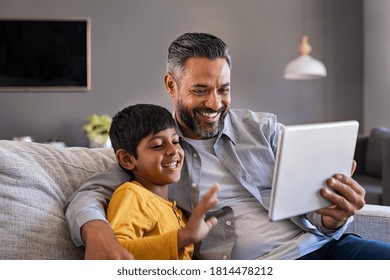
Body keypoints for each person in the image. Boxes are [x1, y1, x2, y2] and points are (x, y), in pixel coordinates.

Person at [65, 32, 390, 260]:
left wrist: (334, 217)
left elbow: (313, 212)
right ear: (171, 85)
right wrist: (95, 231)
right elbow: (91, 193)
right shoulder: (161, 153)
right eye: (201, 90)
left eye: (223, 89)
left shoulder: (264, 129)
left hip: (322, 248)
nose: (215, 103)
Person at [106, 103, 219, 260]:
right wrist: (183, 237)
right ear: (127, 159)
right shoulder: (132, 195)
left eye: (176, 141)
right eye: (158, 145)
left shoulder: (176, 208)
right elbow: (115, 253)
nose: (173, 150)